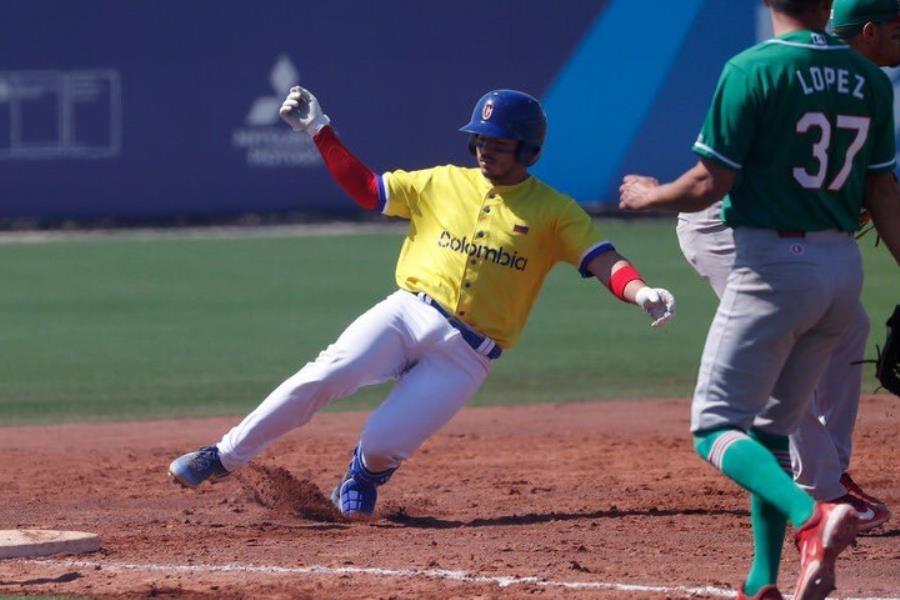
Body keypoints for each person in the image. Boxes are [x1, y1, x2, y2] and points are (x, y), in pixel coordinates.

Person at [168, 87, 676, 521]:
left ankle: (364, 472)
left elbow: (601, 259)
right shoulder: (442, 181)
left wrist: (639, 291)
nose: (484, 149)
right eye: (479, 138)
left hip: (470, 353)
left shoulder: (555, 211)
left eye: (498, 142)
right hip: (408, 311)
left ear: (528, 149)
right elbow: (369, 191)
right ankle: (223, 455)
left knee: (387, 440)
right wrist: (320, 131)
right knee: (324, 375)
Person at [619, 0, 900, 598]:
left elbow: (707, 182)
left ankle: (816, 509)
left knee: (715, 428)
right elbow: (882, 191)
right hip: (817, 260)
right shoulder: (869, 81)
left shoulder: (755, 67)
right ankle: (764, 577)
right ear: (839, 11)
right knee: (775, 417)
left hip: (775, 258)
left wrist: (647, 195)